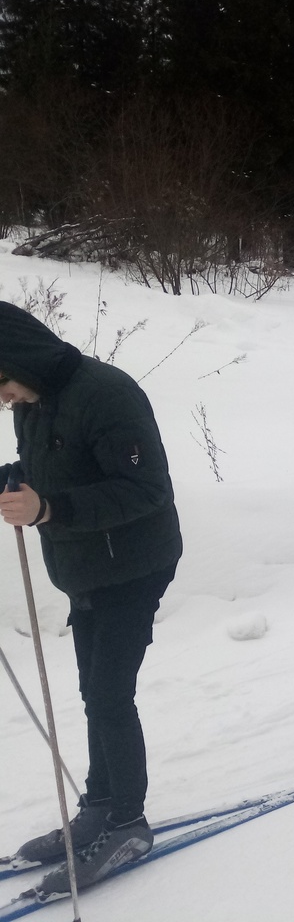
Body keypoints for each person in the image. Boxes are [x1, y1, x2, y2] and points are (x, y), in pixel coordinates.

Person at [0, 301, 182, 894]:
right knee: (92, 692)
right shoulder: (34, 401)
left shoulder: (108, 393)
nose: (3, 399)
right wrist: (15, 482)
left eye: (2, 382)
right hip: (84, 570)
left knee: (108, 694)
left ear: (20, 359)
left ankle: (128, 822)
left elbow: (145, 488)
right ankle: (99, 809)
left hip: (134, 565)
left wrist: (49, 509)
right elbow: (48, 465)